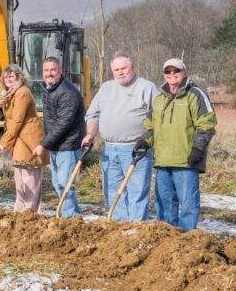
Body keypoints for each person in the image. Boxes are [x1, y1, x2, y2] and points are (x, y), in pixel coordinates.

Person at [137, 58, 216, 231]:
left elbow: (207, 124)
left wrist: (198, 148)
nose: (172, 74)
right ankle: (167, 238)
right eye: (168, 71)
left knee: (188, 204)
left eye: (176, 71)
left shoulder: (195, 94)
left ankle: (187, 240)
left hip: (186, 160)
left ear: (184, 72)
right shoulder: (159, 100)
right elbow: (151, 128)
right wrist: (143, 142)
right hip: (162, 161)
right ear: (164, 75)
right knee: (164, 203)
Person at [82, 52, 160, 221]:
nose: (120, 72)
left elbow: (158, 119)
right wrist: (90, 134)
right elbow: (93, 114)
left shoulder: (147, 87)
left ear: (132, 67)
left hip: (136, 149)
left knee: (137, 191)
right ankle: (120, 227)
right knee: (112, 189)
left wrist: (147, 140)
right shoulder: (106, 88)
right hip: (110, 148)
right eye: (116, 69)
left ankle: (137, 228)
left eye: (123, 68)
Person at [34, 56, 87, 218]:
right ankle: (73, 216)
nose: (49, 74)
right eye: (46, 70)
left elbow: (63, 124)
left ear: (60, 71)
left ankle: (70, 218)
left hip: (68, 146)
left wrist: (44, 144)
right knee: (59, 184)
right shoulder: (50, 89)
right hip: (58, 145)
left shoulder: (66, 92)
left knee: (65, 185)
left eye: (53, 70)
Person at [0, 65, 46, 212]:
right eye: (6, 77)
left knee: (30, 175)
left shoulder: (22, 93)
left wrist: (4, 141)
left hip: (29, 137)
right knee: (20, 174)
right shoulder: (8, 93)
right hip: (18, 137)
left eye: (12, 76)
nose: (8, 79)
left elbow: (17, 121)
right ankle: (20, 208)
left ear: (19, 77)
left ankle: (30, 211)